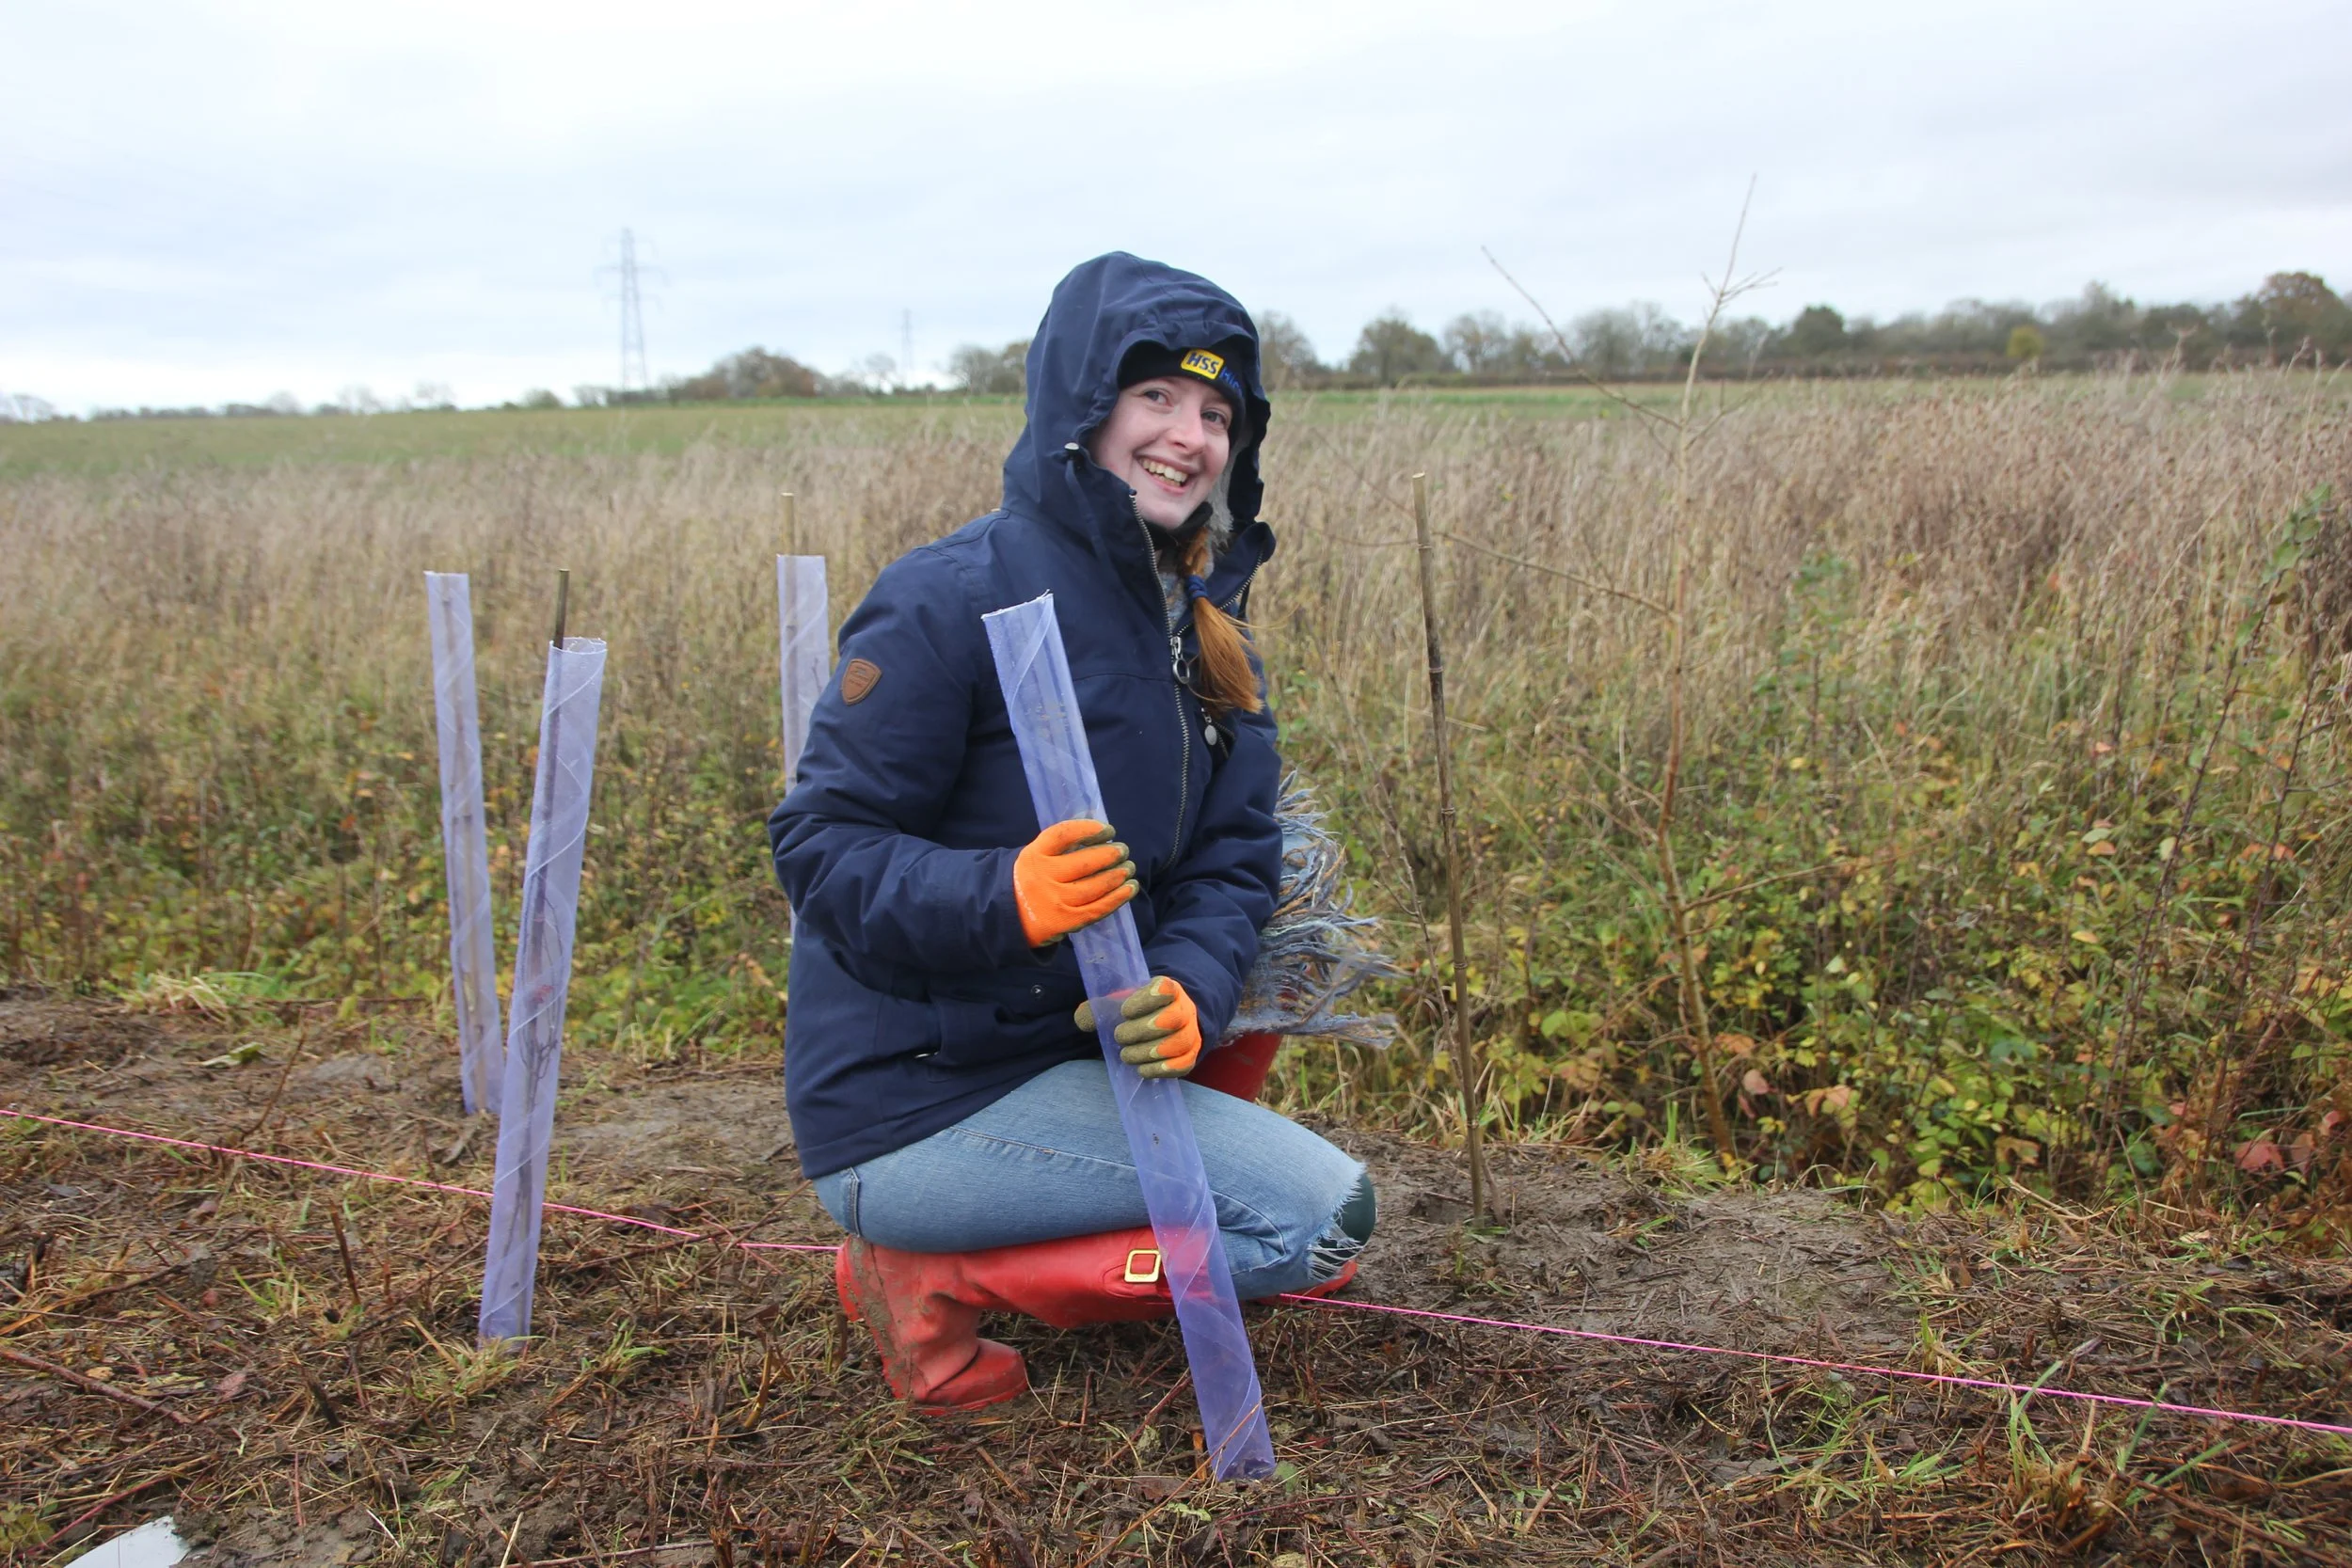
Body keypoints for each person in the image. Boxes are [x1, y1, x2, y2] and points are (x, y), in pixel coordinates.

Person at [768, 252, 1376, 1414]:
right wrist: (1007, 895)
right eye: (1155, 397)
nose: (1187, 436)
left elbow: (1233, 857)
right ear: (1082, 408)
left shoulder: (1200, 623)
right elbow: (821, 844)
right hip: (914, 1095)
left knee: (1244, 1041)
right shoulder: (948, 595)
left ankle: (1008, 1226)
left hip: (1063, 1050)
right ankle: (929, 1267)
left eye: (1215, 414)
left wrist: (1191, 984)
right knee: (1316, 1226)